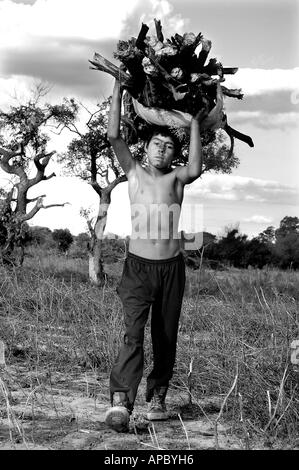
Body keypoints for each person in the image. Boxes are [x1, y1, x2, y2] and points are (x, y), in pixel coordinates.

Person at [105, 76, 208, 432]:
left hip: (171, 269)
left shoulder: (178, 179)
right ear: (145, 148)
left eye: (167, 145)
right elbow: (115, 136)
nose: (162, 149)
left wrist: (194, 122)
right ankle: (121, 401)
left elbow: (195, 167)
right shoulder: (133, 172)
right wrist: (118, 89)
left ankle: (158, 396)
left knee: (165, 336)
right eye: (156, 143)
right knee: (133, 333)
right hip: (137, 268)